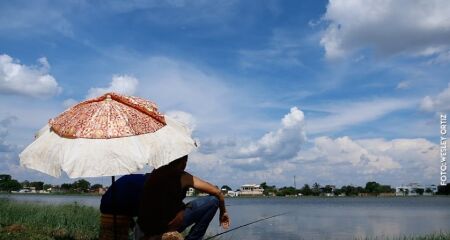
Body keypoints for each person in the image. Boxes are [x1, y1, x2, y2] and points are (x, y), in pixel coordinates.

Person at [137, 155, 230, 240]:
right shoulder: (181, 176)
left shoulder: (154, 173)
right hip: (167, 226)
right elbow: (218, 193)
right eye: (186, 160)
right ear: (183, 161)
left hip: (146, 227)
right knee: (213, 200)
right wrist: (223, 211)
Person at [99, 174, 148, 240]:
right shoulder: (148, 184)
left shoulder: (136, 179)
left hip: (106, 207)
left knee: (107, 236)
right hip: (117, 209)